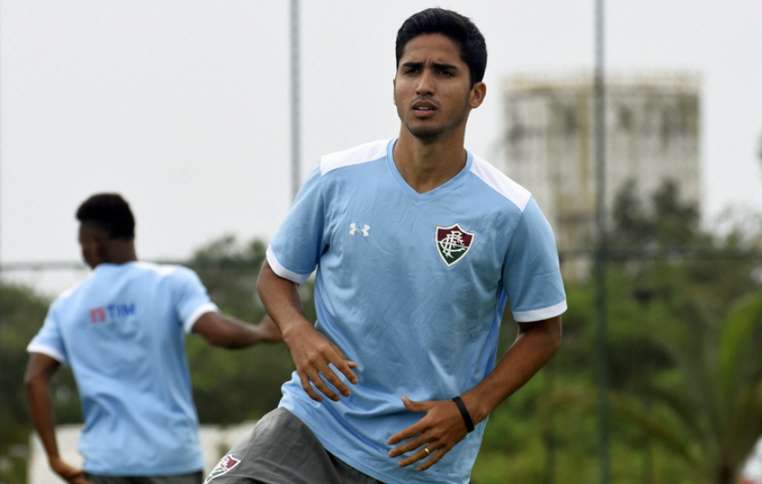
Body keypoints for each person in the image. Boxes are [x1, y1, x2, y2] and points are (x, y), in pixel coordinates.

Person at [209, 7, 566, 484]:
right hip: (312, 423)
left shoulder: (511, 212)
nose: (424, 85)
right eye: (411, 69)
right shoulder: (336, 178)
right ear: (395, 84)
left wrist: (469, 409)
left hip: (417, 457)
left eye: (444, 72)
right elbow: (276, 275)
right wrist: (297, 331)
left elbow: (543, 331)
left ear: (476, 94)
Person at [24, 193, 282, 484]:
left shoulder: (67, 304)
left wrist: (55, 458)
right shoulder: (171, 282)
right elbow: (215, 332)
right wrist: (260, 333)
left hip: (105, 464)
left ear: (95, 244)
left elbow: (35, 378)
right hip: (171, 460)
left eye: (83, 245)